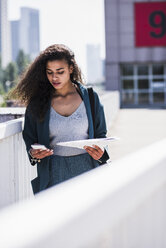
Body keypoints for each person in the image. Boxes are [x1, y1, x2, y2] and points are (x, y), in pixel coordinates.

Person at [12, 44, 109, 194]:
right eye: (49, 72)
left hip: (88, 170)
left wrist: (102, 152)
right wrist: (33, 153)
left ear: (71, 69)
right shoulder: (38, 102)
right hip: (53, 173)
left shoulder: (90, 97)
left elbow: (101, 135)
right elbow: (29, 137)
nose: (54, 77)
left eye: (60, 71)